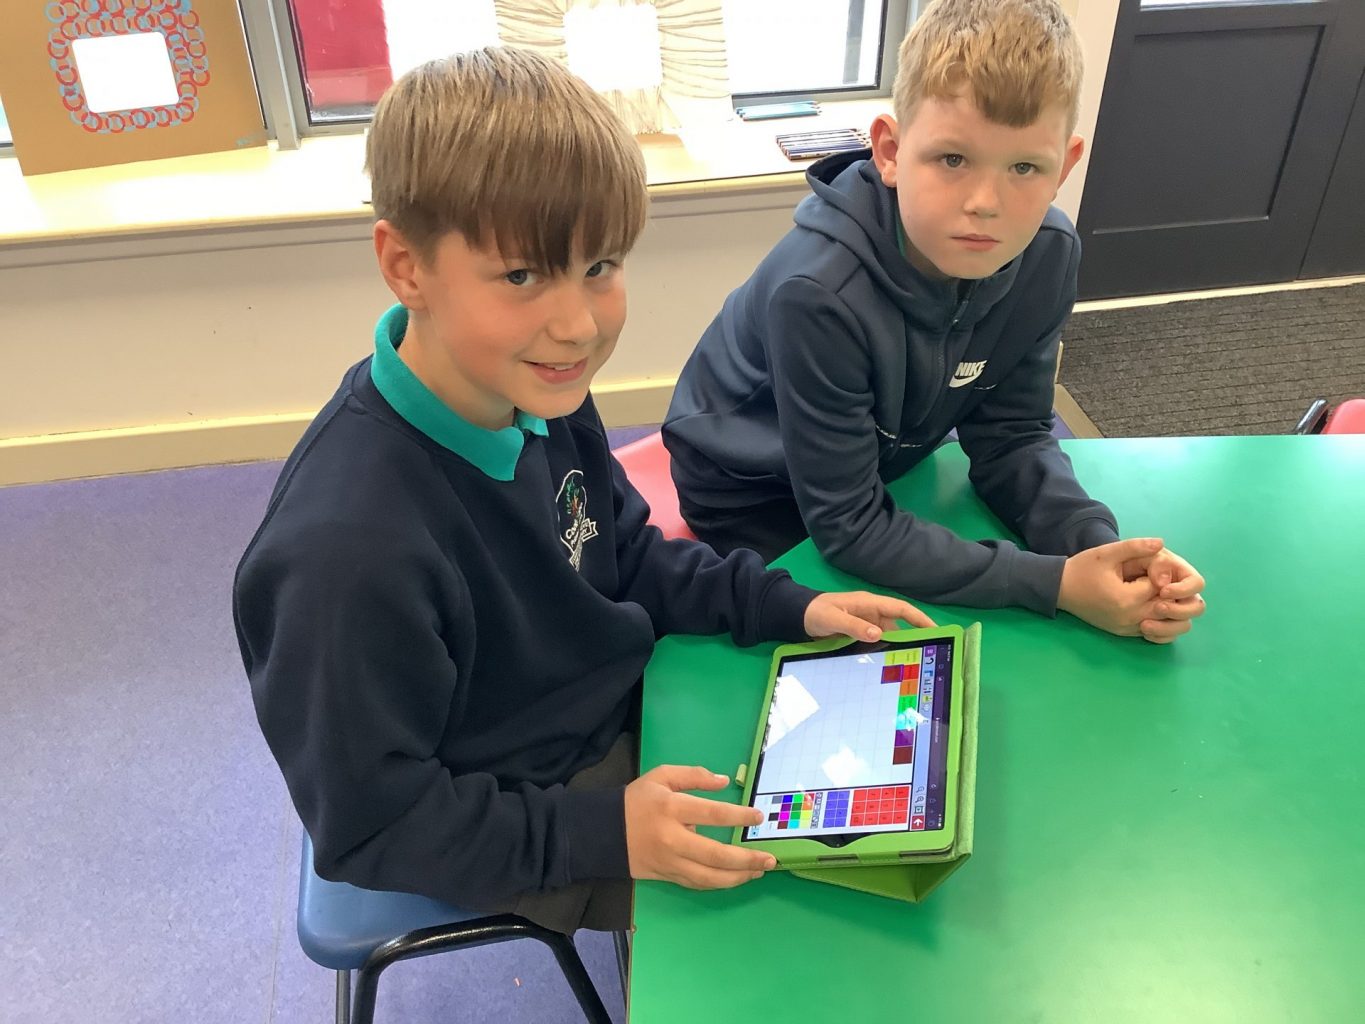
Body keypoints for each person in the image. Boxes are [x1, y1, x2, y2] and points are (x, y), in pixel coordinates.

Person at [232, 47, 932, 937]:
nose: (576, 325)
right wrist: (606, 832)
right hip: (514, 808)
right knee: (803, 909)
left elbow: (622, 553)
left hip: (607, 704)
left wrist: (782, 603)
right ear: (406, 267)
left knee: (867, 796)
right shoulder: (345, 553)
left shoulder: (535, 387)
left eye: (599, 265)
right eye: (521, 276)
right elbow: (373, 825)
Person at [662, 0, 1205, 643]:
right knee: (865, 643)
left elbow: (1012, 435)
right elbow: (851, 528)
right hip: (751, 488)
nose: (984, 203)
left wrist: (1095, 547)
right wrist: (1055, 584)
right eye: (952, 159)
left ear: (1065, 165)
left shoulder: (1049, 255)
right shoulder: (819, 295)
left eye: (1024, 167)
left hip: (881, 458)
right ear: (890, 151)